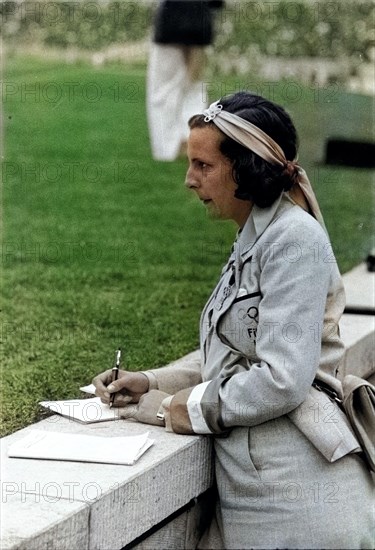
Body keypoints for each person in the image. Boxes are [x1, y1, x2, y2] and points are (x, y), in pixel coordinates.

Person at [94, 91, 374, 549]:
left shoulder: (293, 240)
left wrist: (170, 410)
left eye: (203, 166)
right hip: (256, 500)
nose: (189, 180)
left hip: (303, 506)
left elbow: (281, 379)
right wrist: (150, 380)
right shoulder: (256, 236)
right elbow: (233, 360)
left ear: (245, 168)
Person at [147, 0, 224, 161]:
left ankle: (166, 149)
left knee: (163, 90)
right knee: (195, 88)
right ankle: (192, 142)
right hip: (199, 24)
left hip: (170, 22)